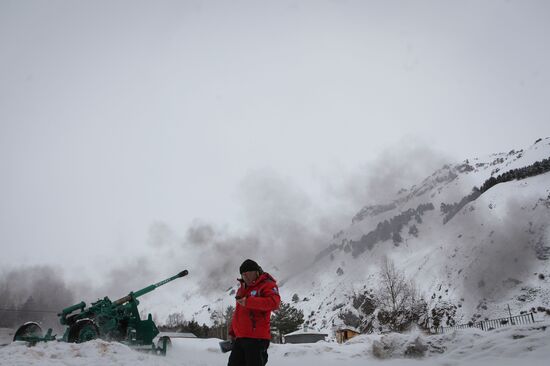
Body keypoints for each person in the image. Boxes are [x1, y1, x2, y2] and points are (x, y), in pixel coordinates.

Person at [228, 259, 280, 366]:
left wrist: (249, 302)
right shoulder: (241, 289)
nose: (245, 277)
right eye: (243, 274)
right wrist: (233, 332)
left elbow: (274, 303)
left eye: (248, 274)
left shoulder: (267, 284)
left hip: (257, 339)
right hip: (240, 338)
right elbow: (238, 312)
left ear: (256, 272)